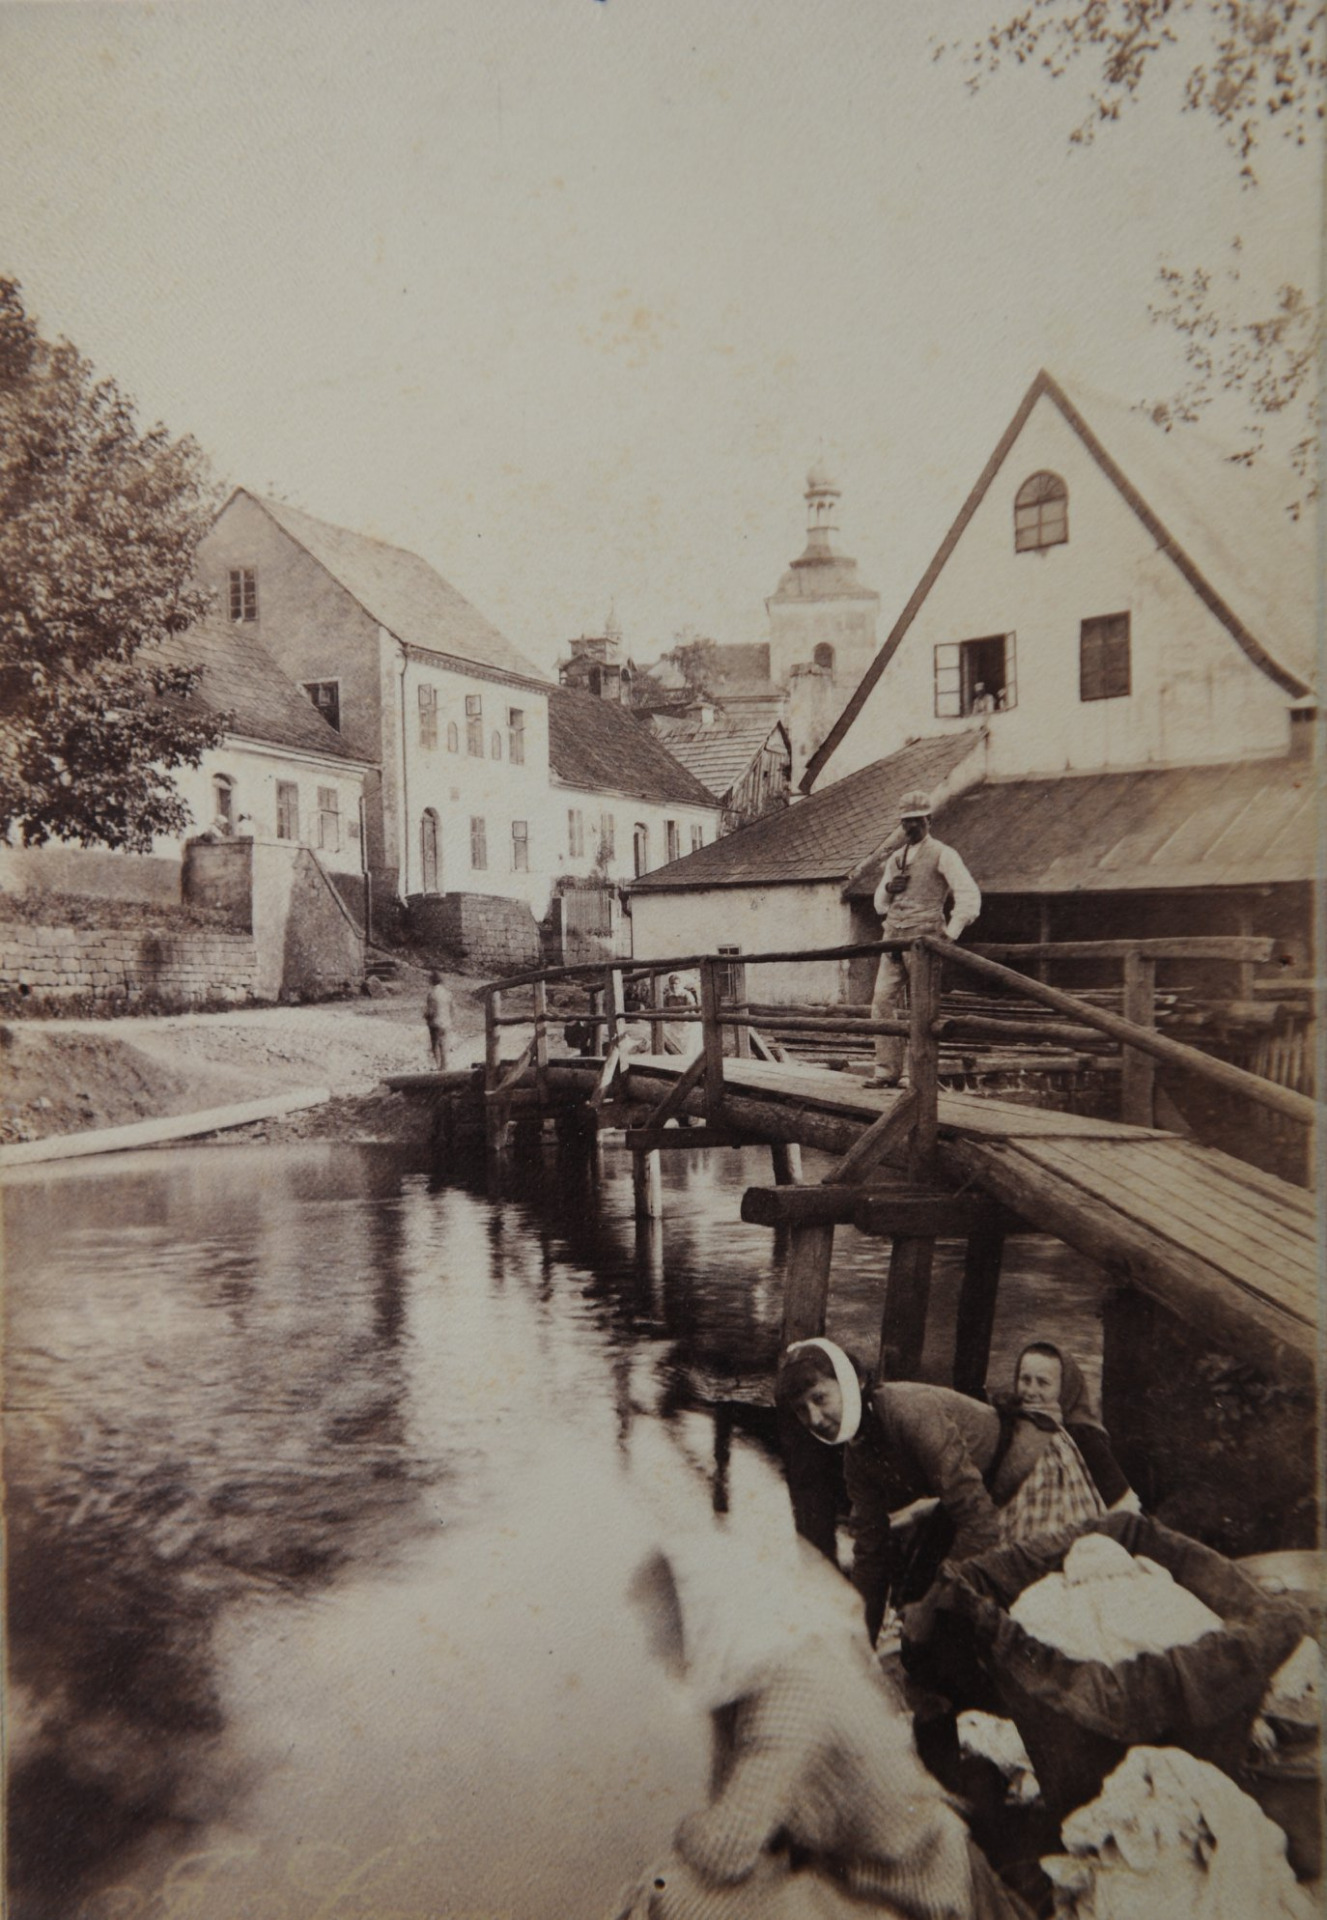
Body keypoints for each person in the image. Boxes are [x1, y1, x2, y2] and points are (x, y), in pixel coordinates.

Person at [612, 1532, 1030, 1920]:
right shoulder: (747, 1678)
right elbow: (731, 1814)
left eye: (671, 1635)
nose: (666, 1651)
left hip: (914, 1885)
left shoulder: (791, 1683)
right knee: (670, 1891)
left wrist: (678, 1845)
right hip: (849, 1872)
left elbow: (728, 1848)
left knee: (676, 1899)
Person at [777, 1338, 1136, 1648]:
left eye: (820, 1398)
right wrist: (860, 1642)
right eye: (801, 1409)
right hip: (981, 1492)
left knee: (1034, 1613)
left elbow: (980, 1524)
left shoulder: (910, 1413)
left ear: (852, 1381)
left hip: (1033, 1472)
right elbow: (871, 1551)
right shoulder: (858, 1456)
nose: (815, 1417)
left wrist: (931, 1606)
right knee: (922, 1607)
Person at [868, 791, 979, 1089]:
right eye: (906, 822)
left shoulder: (944, 853)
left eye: (917, 821)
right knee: (881, 1001)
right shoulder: (896, 857)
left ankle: (912, 1073)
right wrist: (891, 887)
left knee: (921, 1005)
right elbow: (880, 903)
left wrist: (950, 933)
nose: (911, 828)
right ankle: (886, 1070)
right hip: (893, 938)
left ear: (929, 820)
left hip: (925, 938)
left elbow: (969, 896)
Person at [423, 969, 452, 1069]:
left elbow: (431, 1011)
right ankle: (445, 1065)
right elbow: (452, 1008)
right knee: (443, 1043)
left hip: (435, 1023)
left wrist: (425, 1015)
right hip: (446, 1022)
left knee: (435, 1044)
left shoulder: (431, 994)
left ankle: (437, 1065)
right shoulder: (447, 993)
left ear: (432, 980)